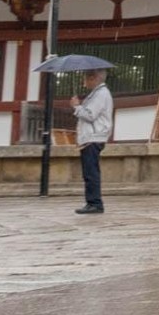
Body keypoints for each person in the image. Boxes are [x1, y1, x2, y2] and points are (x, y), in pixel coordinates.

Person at [71, 69, 114, 214]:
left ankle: (95, 202)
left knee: (91, 172)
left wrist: (77, 106)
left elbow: (90, 115)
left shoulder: (101, 94)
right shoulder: (97, 94)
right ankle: (92, 201)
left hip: (93, 136)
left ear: (93, 78)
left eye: (86, 78)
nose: (84, 82)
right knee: (89, 171)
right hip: (91, 136)